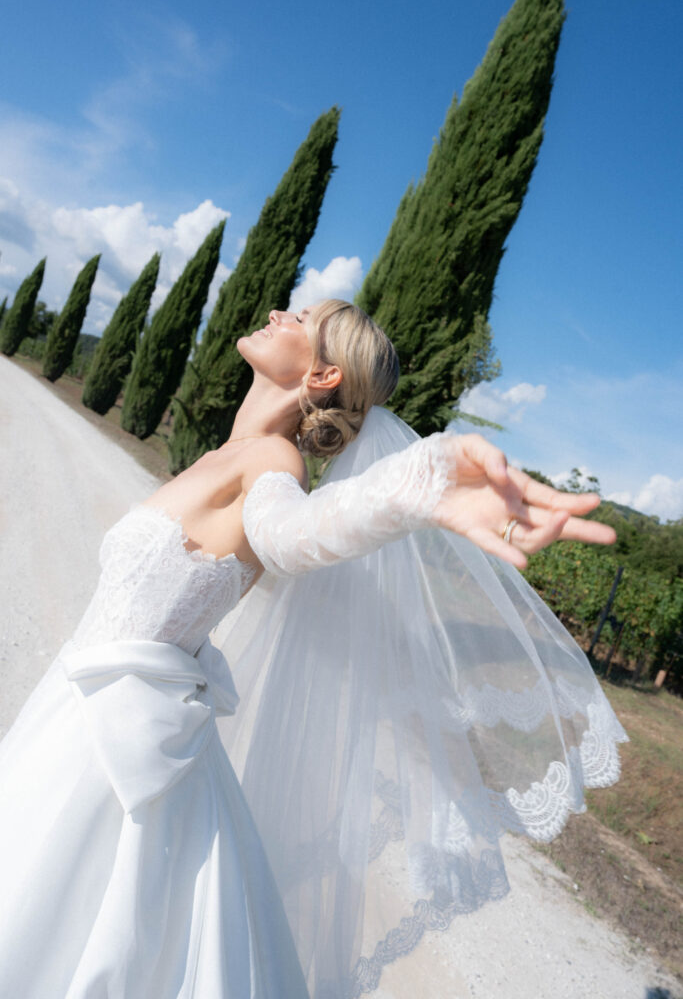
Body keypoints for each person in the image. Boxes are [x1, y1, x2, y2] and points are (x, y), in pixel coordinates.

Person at [0, 299, 625, 998]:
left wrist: (415, 485)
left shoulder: (274, 462)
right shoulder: (227, 453)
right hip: (82, 711)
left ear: (323, 374)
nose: (274, 309)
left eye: (298, 315)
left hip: (113, 756)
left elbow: (295, 536)